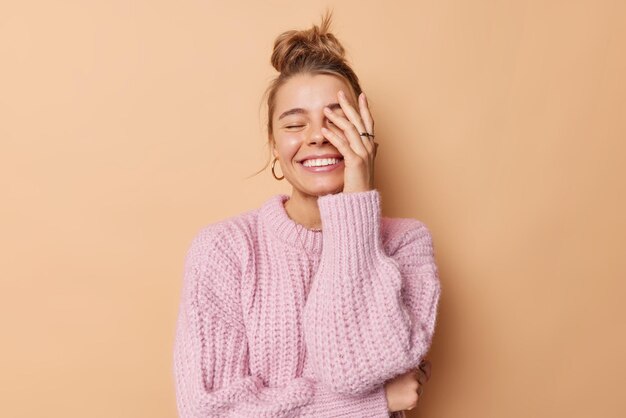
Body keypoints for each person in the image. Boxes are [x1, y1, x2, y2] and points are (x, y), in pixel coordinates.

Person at [172, 10, 441, 417]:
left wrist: (355, 200)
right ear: (274, 144)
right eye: (294, 124)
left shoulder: (406, 243)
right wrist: (375, 402)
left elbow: (353, 364)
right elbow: (210, 411)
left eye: (336, 119)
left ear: (366, 132)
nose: (317, 136)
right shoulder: (224, 251)